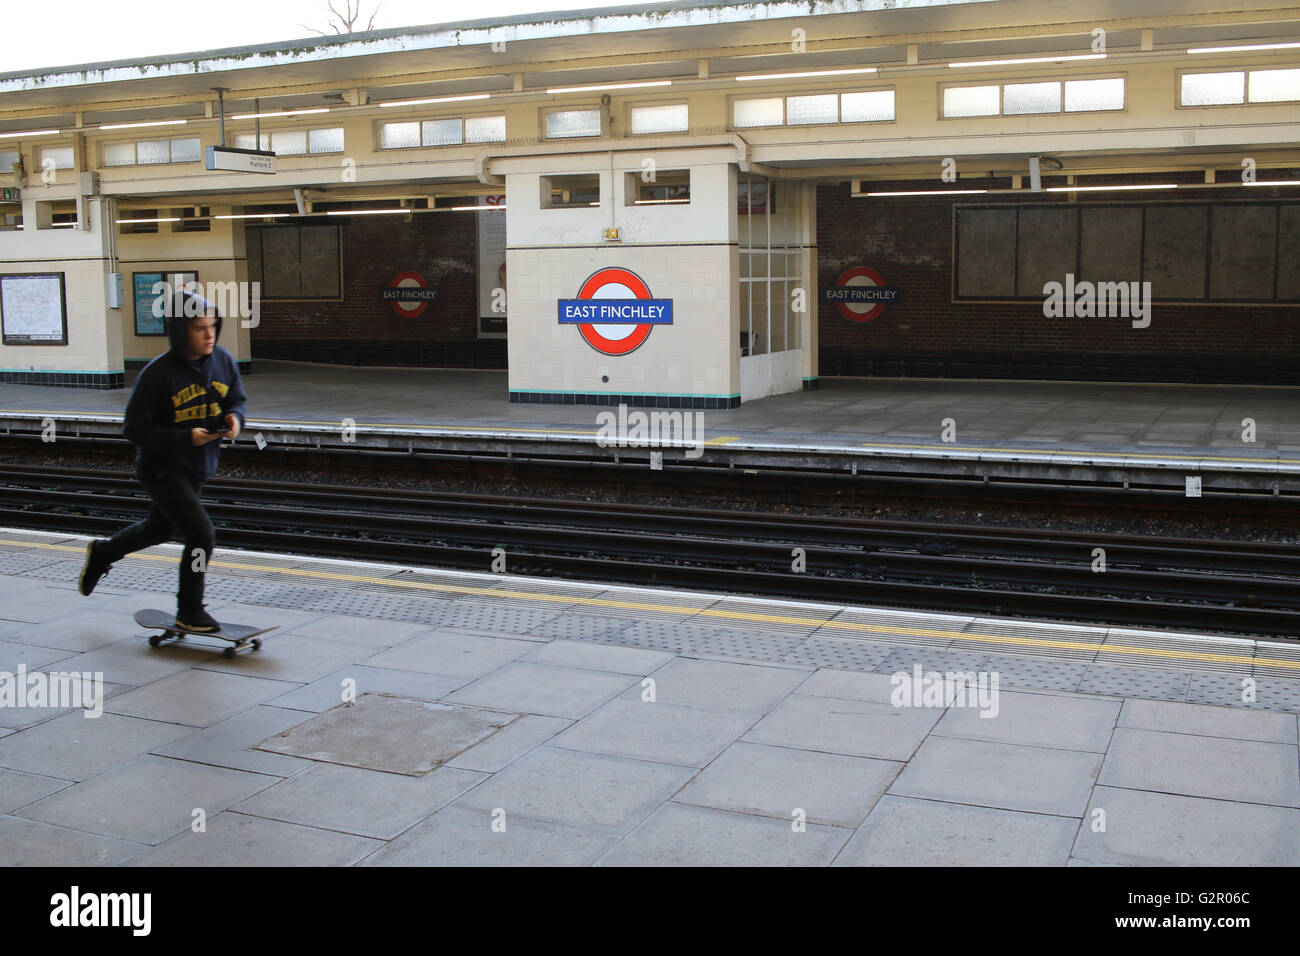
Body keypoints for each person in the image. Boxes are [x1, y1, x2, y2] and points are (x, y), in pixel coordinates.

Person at [78, 288, 247, 632]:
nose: (209, 334)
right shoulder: (157, 375)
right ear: (179, 331)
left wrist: (235, 421)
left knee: (160, 528)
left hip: (198, 468)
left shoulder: (224, 361)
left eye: (213, 326)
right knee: (202, 535)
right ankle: (190, 610)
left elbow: (237, 401)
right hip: (161, 469)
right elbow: (134, 429)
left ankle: (103, 553)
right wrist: (185, 438)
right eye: (199, 328)